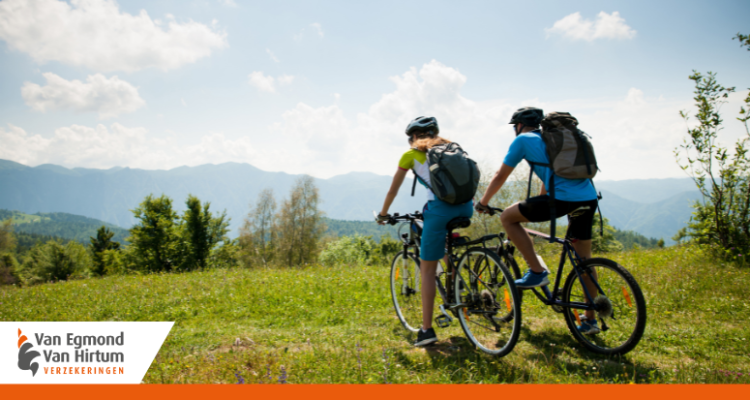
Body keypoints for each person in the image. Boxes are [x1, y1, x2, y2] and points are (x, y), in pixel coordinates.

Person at [474, 107, 601, 334]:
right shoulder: (552, 139)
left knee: (508, 218)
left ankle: (536, 271)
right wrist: (538, 200)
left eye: (515, 127)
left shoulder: (523, 140)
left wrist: (483, 202)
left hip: (562, 200)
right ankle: (590, 318)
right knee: (584, 260)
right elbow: (549, 173)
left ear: (519, 125)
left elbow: (500, 175)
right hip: (589, 198)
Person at [377, 116, 474, 346]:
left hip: (439, 211)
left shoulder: (410, 155)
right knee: (438, 237)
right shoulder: (451, 149)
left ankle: (427, 330)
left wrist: (383, 214)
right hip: (466, 208)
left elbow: (393, 190)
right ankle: (457, 280)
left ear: (413, 137)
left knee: (428, 270)